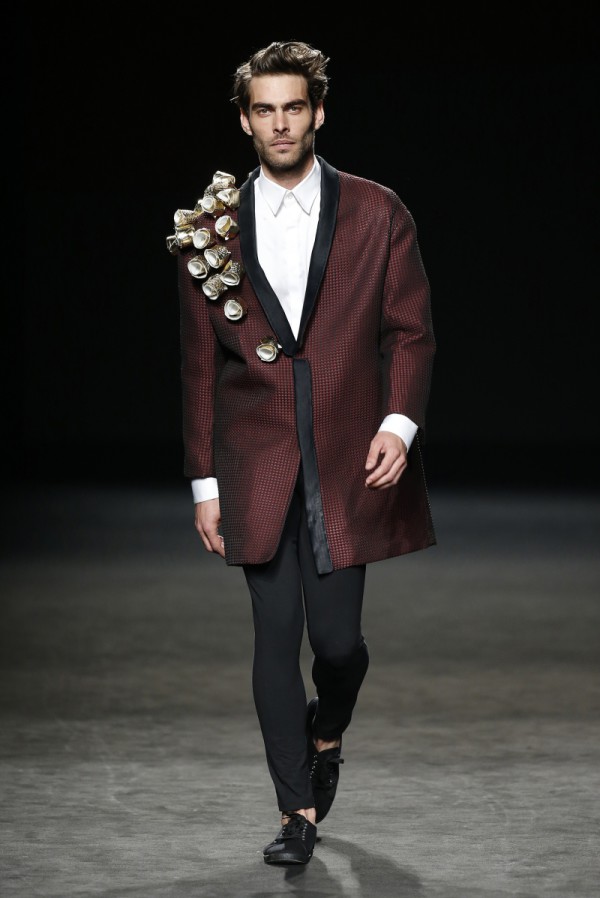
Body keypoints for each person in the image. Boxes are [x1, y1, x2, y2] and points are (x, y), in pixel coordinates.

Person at [169, 40, 436, 866]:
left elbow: (411, 330)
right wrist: (205, 482)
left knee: (338, 644)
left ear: (318, 111)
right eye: (264, 110)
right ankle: (297, 811)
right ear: (245, 121)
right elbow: (199, 366)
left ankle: (329, 730)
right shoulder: (209, 230)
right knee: (275, 632)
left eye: (293, 107)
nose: (280, 123)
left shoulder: (376, 211)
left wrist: (398, 424)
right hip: (253, 457)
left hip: (347, 452)